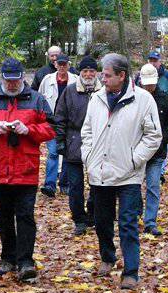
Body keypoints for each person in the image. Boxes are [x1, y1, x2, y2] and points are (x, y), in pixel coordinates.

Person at [0, 58, 56, 282]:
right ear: (3, 78)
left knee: (25, 216)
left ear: (22, 77)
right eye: (7, 80)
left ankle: (26, 260)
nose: (11, 85)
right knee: (3, 217)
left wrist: (29, 130)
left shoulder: (36, 99)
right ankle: (8, 257)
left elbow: (52, 128)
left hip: (26, 169)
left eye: (15, 80)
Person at [81, 53, 162, 289]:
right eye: (102, 75)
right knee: (102, 220)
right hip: (100, 172)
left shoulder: (144, 100)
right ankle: (107, 257)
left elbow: (153, 136)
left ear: (121, 76)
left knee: (127, 223)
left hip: (129, 175)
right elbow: (87, 131)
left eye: (107, 75)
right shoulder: (96, 98)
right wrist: (88, 156)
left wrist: (135, 160)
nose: (102, 79)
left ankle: (131, 271)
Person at [54, 56, 101, 235]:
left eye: (91, 71)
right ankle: (79, 219)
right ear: (80, 73)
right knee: (75, 187)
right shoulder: (70, 91)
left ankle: (92, 214)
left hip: (97, 144)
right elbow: (60, 117)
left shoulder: (103, 91)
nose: (88, 74)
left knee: (98, 183)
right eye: (85, 71)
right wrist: (60, 141)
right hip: (74, 142)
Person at [137, 64, 168, 236]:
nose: (149, 87)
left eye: (151, 83)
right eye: (146, 84)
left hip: (157, 152)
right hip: (136, 151)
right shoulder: (134, 98)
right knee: (133, 187)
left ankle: (150, 221)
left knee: (153, 186)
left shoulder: (164, 97)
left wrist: (163, 139)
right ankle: (134, 214)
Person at [135, 51, 168, 183]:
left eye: (155, 60)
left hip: (164, 116)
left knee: (162, 147)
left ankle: (159, 172)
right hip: (143, 129)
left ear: (160, 62)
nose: (153, 63)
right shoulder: (139, 78)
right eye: (151, 60)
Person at [38, 54, 78, 197]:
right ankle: (49, 184)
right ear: (55, 65)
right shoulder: (47, 80)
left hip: (69, 123)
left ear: (68, 65)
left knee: (67, 153)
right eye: (59, 64)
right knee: (53, 153)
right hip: (52, 123)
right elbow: (40, 98)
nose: (62, 67)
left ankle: (65, 183)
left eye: (64, 64)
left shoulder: (75, 80)